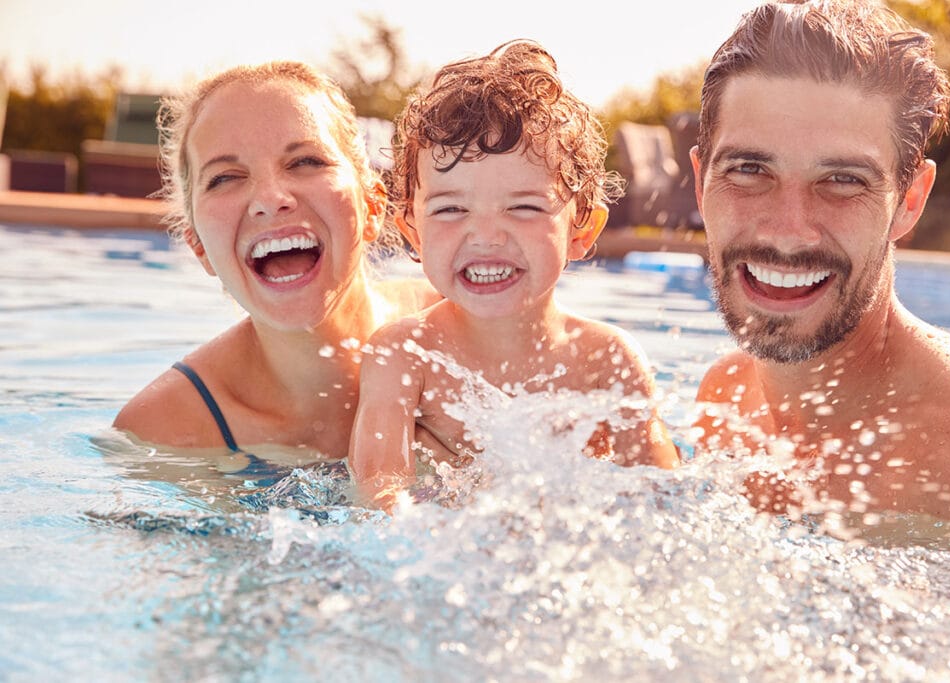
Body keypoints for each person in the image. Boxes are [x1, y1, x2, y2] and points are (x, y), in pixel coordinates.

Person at [688, 0, 950, 520]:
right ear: (699, 181)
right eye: (749, 169)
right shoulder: (728, 396)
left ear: (909, 201)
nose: (789, 230)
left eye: (843, 180)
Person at [349, 41, 679, 508]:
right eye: (451, 208)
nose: (485, 236)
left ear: (582, 231)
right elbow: (378, 497)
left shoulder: (606, 360)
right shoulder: (404, 356)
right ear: (413, 234)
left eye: (523, 207)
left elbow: (661, 501)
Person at [113, 62, 438, 473]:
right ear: (198, 246)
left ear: (372, 206)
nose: (270, 197)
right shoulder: (164, 433)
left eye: (305, 162)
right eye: (225, 178)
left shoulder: (468, 328)